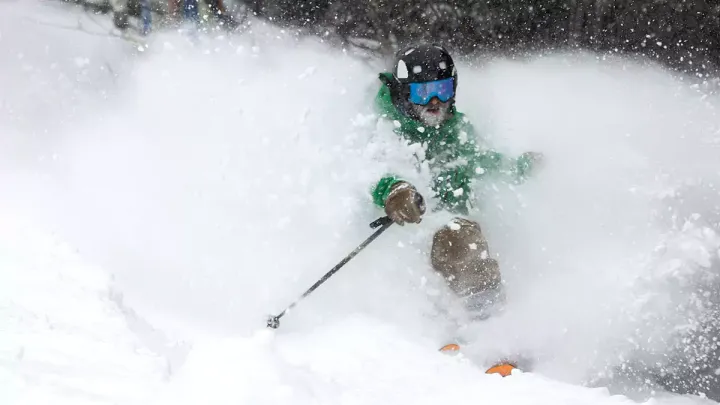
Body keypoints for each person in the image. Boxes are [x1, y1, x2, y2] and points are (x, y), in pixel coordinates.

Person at [371, 44, 542, 376]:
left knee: (463, 233)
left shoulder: (456, 129)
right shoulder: (385, 124)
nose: (435, 102)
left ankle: (475, 330)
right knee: (457, 234)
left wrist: (520, 168)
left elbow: (482, 162)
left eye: (442, 89)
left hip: (448, 225)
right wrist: (395, 193)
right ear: (405, 93)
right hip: (404, 227)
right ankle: (487, 332)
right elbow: (374, 169)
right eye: (423, 93)